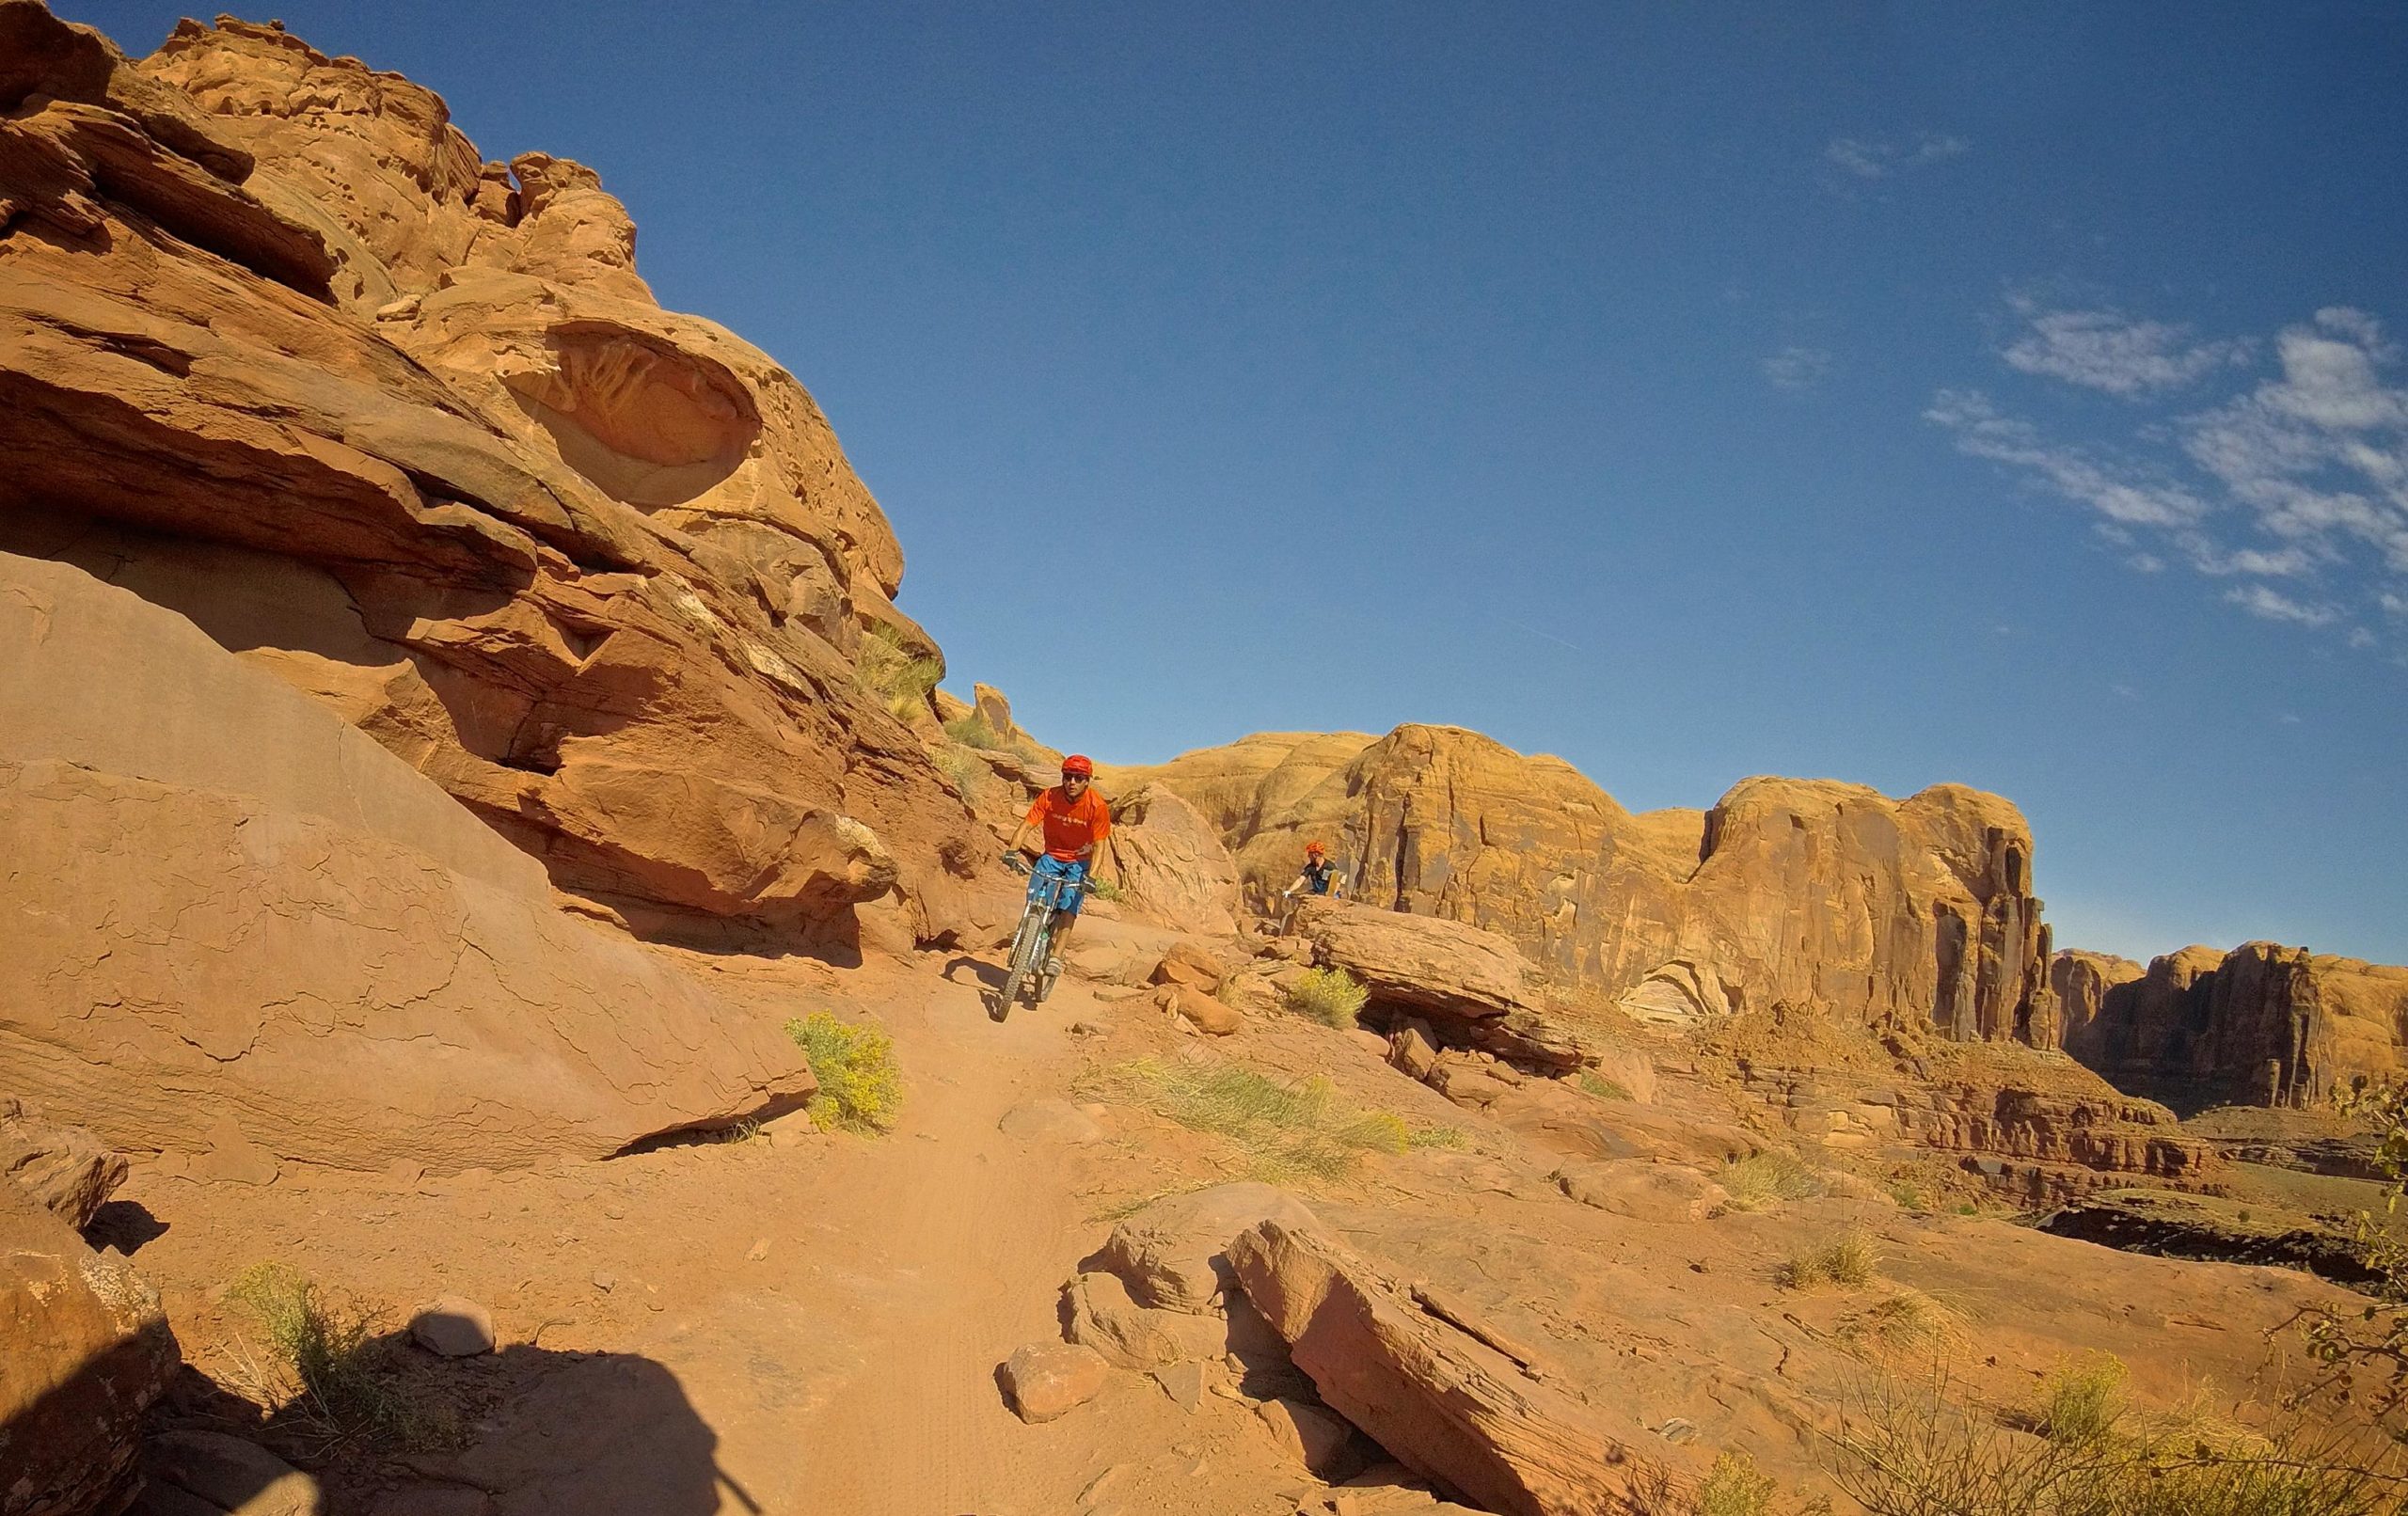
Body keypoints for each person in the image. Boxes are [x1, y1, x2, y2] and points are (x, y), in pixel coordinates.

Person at [1003, 754, 1111, 973]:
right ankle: (1029, 929)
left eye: (1078, 778)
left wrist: (1092, 877)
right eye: (1068, 776)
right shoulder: (1049, 797)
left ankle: (1056, 955)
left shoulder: (1097, 806)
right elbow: (1026, 826)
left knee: (1069, 907)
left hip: (1079, 863)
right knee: (1034, 897)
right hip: (1051, 856)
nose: (1072, 782)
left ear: (1087, 781)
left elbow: (1100, 845)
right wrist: (1011, 852)